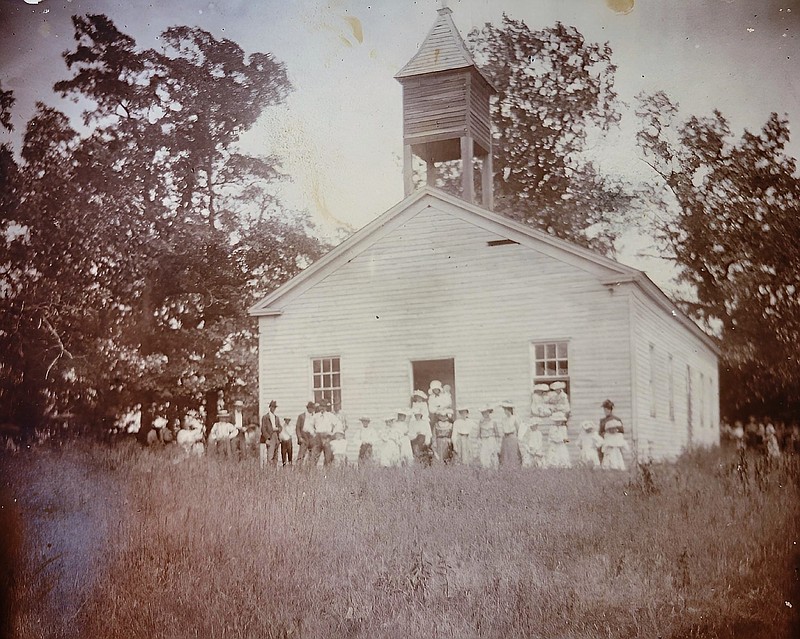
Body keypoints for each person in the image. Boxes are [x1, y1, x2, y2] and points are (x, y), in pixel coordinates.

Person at [310, 400, 338, 466]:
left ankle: (326, 473)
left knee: (328, 457)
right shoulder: (315, 416)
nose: (322, 408)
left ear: (326, 407)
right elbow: (309, 426)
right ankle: (312, 473)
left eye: (324, 406)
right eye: (321, 406)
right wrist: (313, 433)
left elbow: (337, 425)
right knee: (314, 456)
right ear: (319, 407)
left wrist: (331, 434)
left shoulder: (330, 416)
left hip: (327, 437)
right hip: (318, 437)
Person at [477, 405, 501, 469]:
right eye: (483, 412)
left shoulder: (493, 422)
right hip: (484, 441)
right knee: (484, 457)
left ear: (489, 412)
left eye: (486, 412)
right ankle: (486, 471)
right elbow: (478, 434)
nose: (485, 414)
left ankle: (494, 470)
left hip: (491, 440)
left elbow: (497, 434)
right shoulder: (481, 422)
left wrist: (498, 444)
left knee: (492, 455)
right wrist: (479, 442)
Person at [499, 400, 521, 466]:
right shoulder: (503, 419)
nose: (505, 411)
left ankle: (514, 468)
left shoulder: (514, 418)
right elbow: (503, 429)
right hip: (505, 438)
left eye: (507, 409)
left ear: (510, 410)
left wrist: (517, 438)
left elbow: (518, 429)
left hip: (512, 437)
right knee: (505, 454)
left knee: (513, 454)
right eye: (504, 410)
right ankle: (506, 468)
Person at [260, 400, 281, 468]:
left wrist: (278, 429)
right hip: (270, 436)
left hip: (276, 436)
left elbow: (280, 427)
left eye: (275, 407)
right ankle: (270, 471)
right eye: (272, 407)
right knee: (270, 456)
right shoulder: (265, 417)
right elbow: (263, 429)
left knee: (276, 456)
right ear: (270, 407)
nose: (273, 408)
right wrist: (267, 438)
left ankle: (274, 472)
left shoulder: (276, 418)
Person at [295, 401, 317, 466]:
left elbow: (316, 427)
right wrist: (299, 437)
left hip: (312, 437)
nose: (312, 410)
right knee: (301, 455)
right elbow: (297, 428)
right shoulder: (301, 416)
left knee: (312, 455)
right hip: (304, 436)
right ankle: (298, 470)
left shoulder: (315, 416)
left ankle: (310, 471)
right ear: (308, 408)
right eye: (311, 408)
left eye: (313, 408)